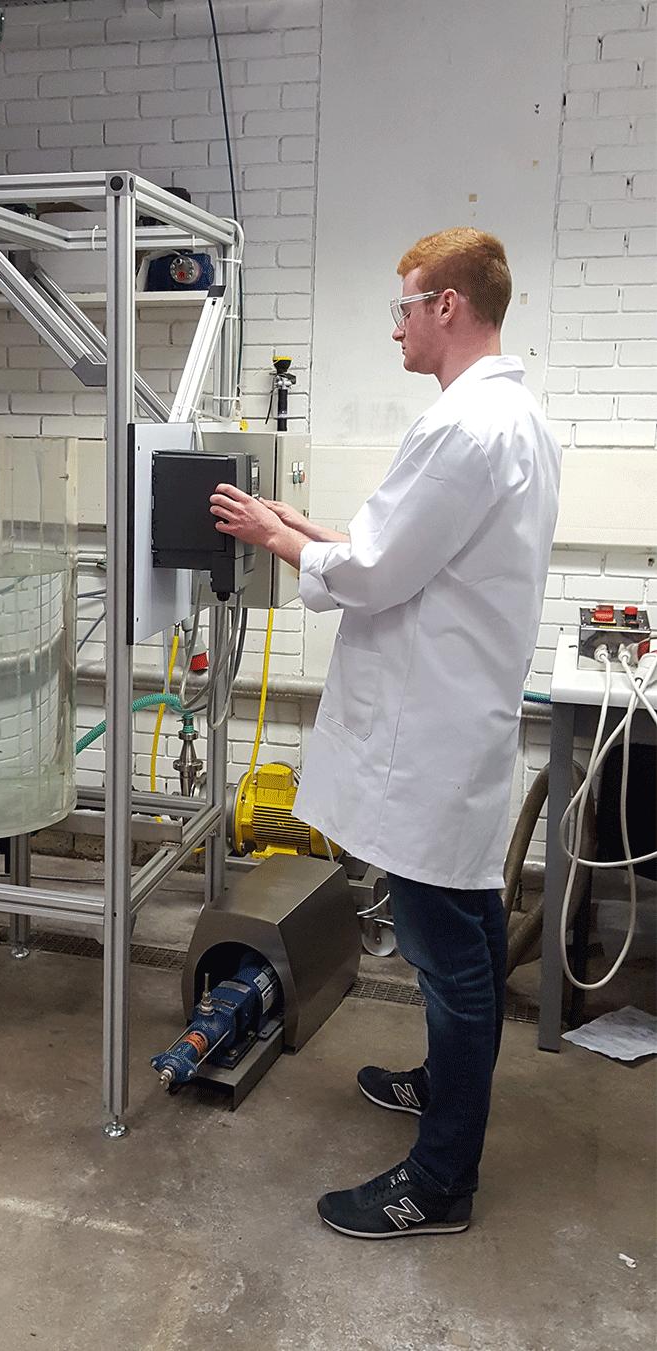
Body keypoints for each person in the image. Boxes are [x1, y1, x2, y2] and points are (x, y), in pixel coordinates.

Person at [209, 228, 561, 1239]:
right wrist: (306, 527)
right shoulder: (511, 418)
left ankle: (441, 1180)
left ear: (447, 305)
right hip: (455, 722)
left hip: (429, 736)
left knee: (449, 956)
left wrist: (273, 538)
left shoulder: (463, 428)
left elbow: (372, 573)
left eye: (404, 307)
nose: (396, 328)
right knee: (470, 927)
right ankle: (444, 1087)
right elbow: (400, 549)